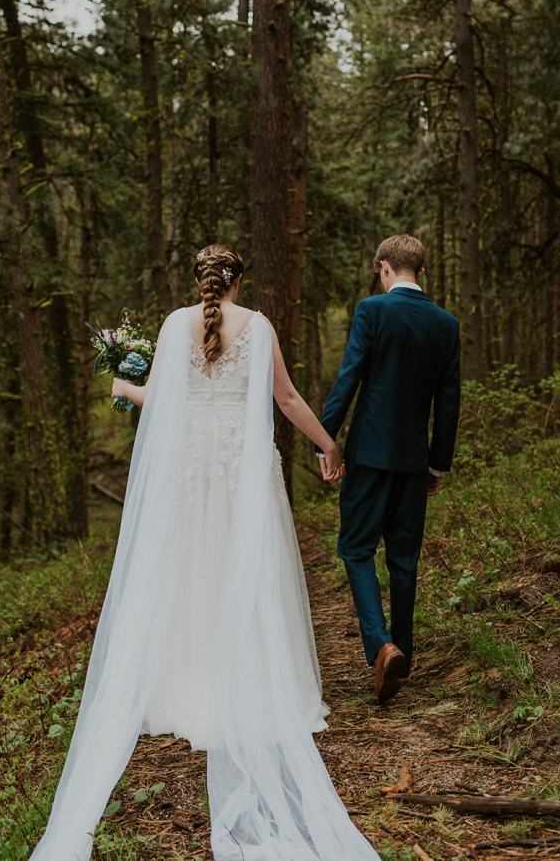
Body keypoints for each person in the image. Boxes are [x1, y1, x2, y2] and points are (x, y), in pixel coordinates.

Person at [28, 244, 381, 861]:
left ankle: (186, 679)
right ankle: (253, 678)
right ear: (239, 280)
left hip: (192, 469)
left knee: (193, 570)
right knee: (244, 573)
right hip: (241, 473)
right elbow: (288, 398)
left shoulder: (171, 326)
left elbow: (163, 403)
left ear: (199, 280)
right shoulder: (260, 325)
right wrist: (330, 446)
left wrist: (124, 387)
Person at [318, 234, 461, 704]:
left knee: (356, 549)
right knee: (403, 557)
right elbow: (448, 401)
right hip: (412, 459)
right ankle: (405, 653)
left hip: (369, 455)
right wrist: (437, 463)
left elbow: (350, 375)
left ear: (384, 268)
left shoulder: (372, 311)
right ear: (420, 270)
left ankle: (381, 646)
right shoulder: (445, 325)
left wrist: (326, 438)